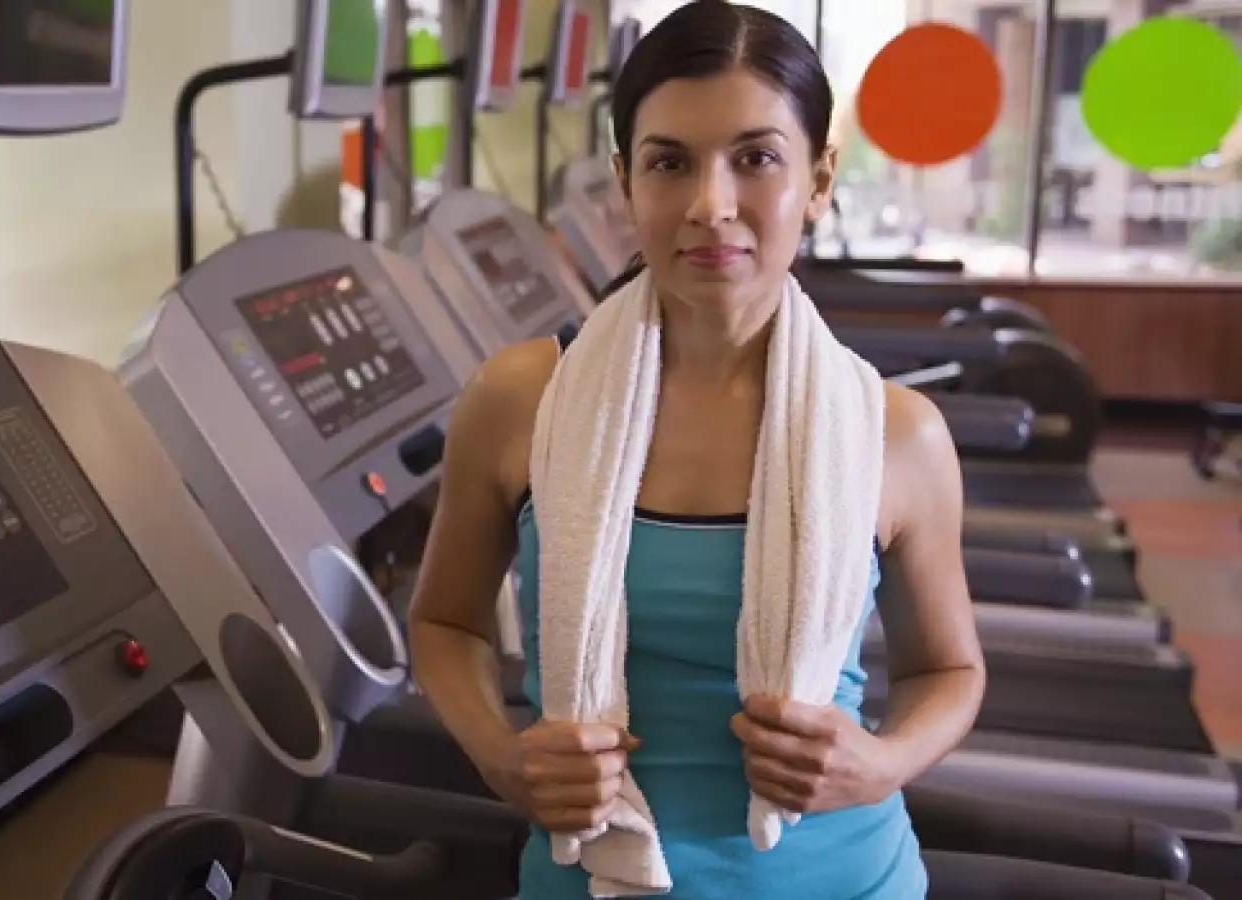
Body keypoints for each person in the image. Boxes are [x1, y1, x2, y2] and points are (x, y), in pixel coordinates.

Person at [405, 3, 986, 897]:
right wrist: (501, 756)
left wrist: (880, 764)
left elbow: (947, 670)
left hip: (843, 876)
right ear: (625, 181)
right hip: (589, 872)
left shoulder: (897, 434)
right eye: (670, 163)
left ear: (819, 179)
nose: (711, 207)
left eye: (756, 159)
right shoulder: (521, 400)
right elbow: (444, 624)